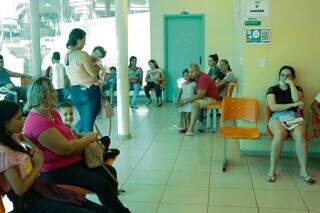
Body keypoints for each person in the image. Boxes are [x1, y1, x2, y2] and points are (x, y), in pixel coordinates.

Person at [23, 77, 130, 212]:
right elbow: (66, 149)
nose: (56, 93)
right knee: (101, 183)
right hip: (56, 170)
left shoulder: (52, 113)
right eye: (52, 91)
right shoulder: (37, 122)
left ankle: (113, 208)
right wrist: (89, 137)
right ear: (43, 96)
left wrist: (82, 137)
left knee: (110, 173)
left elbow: (68, 134)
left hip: (72, 161)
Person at [0, 100, 107, 213]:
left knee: (100, 210)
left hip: (40, 189)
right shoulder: (4, 153)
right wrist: (37, 166)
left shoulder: (11, 137)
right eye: (18, 118)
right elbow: (20, 190)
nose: (23, 120)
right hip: (29, 201)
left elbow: (22, 137)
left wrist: (35, 148)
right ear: (5, 123)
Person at [266, 65, 315, 184]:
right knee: (279, 134)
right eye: (282, 75)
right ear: (279, 76)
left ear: (293, 77)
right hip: (277, 117)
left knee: (300, 135)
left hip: (295, 117)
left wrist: (291, 84)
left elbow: (295, 98)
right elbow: (273, 107)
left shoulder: (298, 88)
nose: (285, 77)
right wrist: (292, 105)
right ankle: (272, 170)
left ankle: (303, 171)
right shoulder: (272, 89)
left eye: (288, 75)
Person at [64, 29, 103, 133]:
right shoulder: (82, 54)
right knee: (88, 127)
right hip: (88, 91)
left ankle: (70, 138)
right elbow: (94, 74)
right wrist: (98, 65)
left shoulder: (67, 55)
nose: (85, 42)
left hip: (75, 92)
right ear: (78, 39)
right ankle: (86, 146)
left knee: (84, 120)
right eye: (84, 40)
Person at [178, 63, 221, 135]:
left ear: (198, 71)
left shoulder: (203, 78)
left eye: (192, 72)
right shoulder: (197, 78)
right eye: (189, 72)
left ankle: (190, 129)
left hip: (212, 99)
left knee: (195, 104)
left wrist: (185, 101)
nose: (190, 74)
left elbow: (199, 95)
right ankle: (189, 125)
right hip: (206, 98)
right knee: (192, 102)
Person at [177, 68, 196, 133]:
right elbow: (180, 92)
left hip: (190, 101)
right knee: (183, 114)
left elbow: (197, 92)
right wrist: (178, 98)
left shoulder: (193, 83)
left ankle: (190, 127)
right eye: (184, 76)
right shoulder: (183, 84)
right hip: (183, 101)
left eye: (188, 75)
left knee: (188, 115)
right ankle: (185, 127)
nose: (186, 77)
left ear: (190, 75)